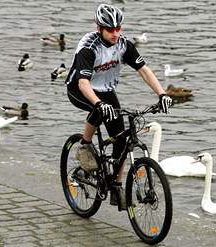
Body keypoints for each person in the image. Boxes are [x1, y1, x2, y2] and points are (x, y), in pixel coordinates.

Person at [65, 4, 172, 209]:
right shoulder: (89, 47)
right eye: (110, 30)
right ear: (100, 29)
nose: (115, 33)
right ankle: (85, 145)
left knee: (122, 139)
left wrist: (162, 93)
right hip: (79, 89)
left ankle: (117, 184)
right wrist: (98, 102)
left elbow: (144, 70)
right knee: (100, 109)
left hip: (105, 89)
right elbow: (83, 83)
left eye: (118, 29)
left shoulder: (124, 45)